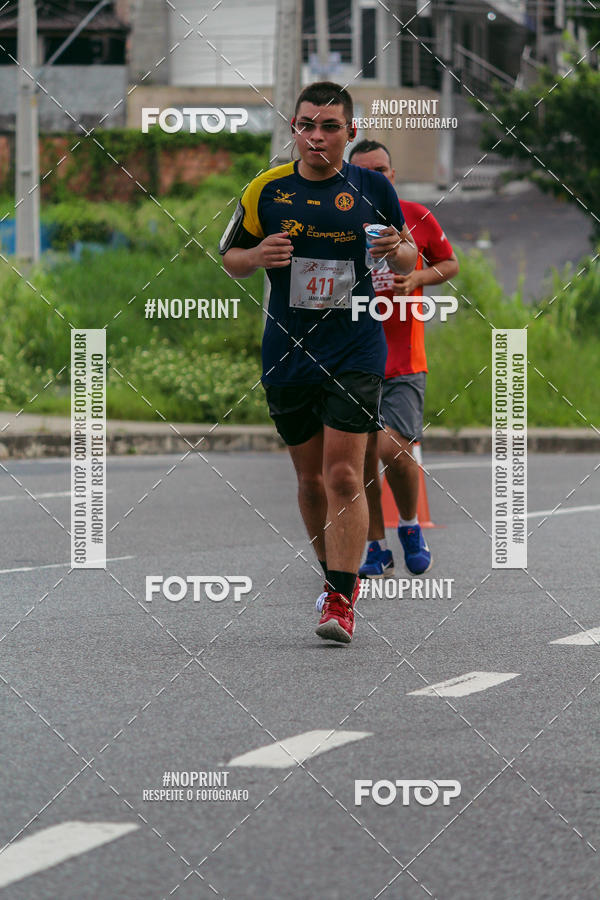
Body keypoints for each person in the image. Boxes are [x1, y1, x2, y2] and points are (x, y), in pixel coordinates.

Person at [219, 84, 417, 643]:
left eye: (330, 127)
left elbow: (409, 253)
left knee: (344, 473)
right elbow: (230, 256)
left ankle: (339, 596)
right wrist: (257, 256)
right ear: (293, 128)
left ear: (349, 134)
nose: (317, 137)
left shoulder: (372, 186)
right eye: (307, 125)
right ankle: (334, 575)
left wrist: (394, 250)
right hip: (286, 351)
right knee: (309, 480)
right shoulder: (266, 189)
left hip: (355, 347)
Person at [348, 140, 459, 577]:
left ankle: (409, 525)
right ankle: (376, 546)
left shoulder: (416, 216)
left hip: (403, 360)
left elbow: (448, 264)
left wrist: (416, 276)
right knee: (357, 461)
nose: (374, 179)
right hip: (351, 359)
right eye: (363, 173)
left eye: (381, 170)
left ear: (392, 175)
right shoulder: (335, 222)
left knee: (392, 450)